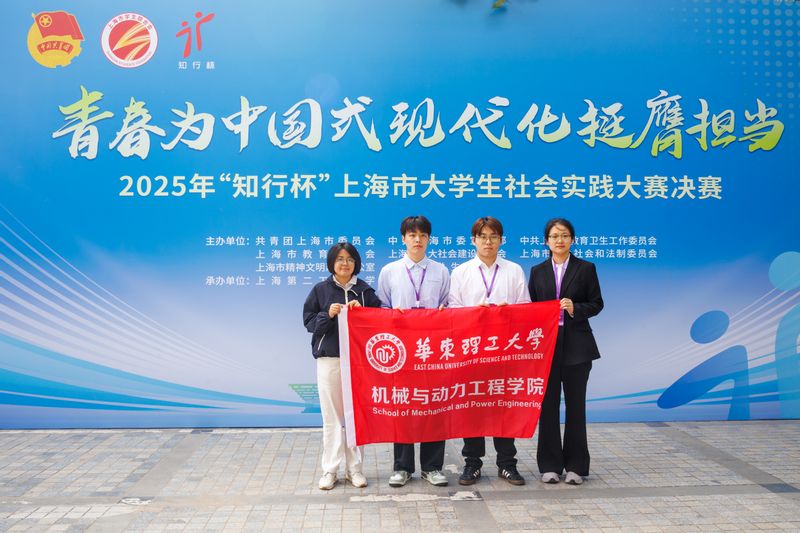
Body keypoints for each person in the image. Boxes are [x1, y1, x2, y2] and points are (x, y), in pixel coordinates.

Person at [448, 216, 531, 486]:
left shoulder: (514, 270)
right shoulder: (461, 272)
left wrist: (510, 311)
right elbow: (453, 310)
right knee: (472, 407)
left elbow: (526, 307)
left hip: (505, 350)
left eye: (493, 237)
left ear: (501, 240)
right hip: (472, 352)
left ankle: (507, 464)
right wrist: (475, 312)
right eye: (482, 237)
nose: (488, 242)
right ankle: (472, 464)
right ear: (473, 240)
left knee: (503, 407)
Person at [376, 215, 451, 488]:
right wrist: (391, 314)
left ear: (429, 239)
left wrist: (443, 312)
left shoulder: (441, 270)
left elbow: (448, 305)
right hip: (402, 349)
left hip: (433, 349)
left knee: (435, 404)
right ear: (403, 238)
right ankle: (402, 467)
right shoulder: (390, 271)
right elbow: (381, 307)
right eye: (412, 235)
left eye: (422, 235)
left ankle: (433, 467)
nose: (417, 240)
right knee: (403, 404)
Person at [528, 218, 603, 485]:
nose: (559, 240)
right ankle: (549, 465)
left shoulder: (586, 268)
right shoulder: (537, 271)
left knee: (575, 407)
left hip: (577, 346)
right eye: (554, 236)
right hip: (547, 346)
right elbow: (531, 307)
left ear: (572, 239)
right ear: (546, 241)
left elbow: (597, 303)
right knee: (547, 407)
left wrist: (575, 308)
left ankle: (576, 467)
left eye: (564, 235)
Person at [302, 242, 382, 490]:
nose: (345, 263)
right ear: (331, 263)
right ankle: (330, 470)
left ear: (356, 263)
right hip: (330, 360)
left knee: (356, 416)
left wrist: (364, 311)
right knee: (332, 418)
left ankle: (355, 469)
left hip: (358, 363)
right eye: (339, 259)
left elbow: (380, 321)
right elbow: (309, 322)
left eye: (349, 259)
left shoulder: (364, 291)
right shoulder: (321, 290)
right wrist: (327, 314)